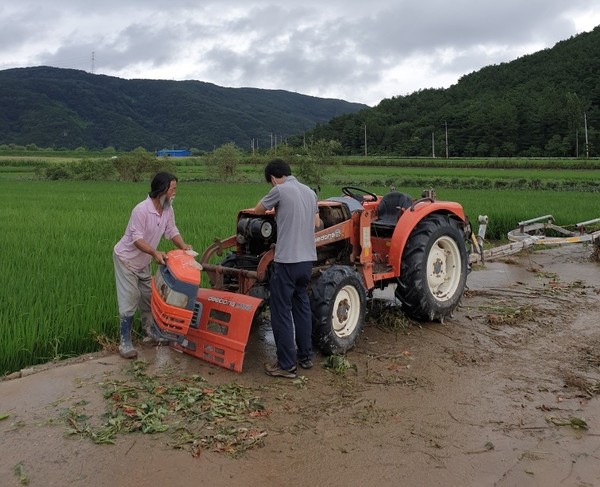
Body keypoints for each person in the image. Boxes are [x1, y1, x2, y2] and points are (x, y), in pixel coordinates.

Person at [113, 172, 192, 359]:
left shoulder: (167, 208)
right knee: (130, 298)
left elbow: (172, 230)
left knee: (149, 297)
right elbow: (137, 239)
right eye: (173, 189)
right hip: (126, 260)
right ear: (162, 190)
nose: (174, 193)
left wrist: (183, 245)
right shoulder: (141, 210)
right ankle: (124, 342)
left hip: (143, 261)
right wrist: (155, 253)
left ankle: (150, 333)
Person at [255, 159, 321, 378]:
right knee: (301, 306)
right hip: (306, 262)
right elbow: (317, 224)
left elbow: (258, 210)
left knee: (280, 311)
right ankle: (305, 357)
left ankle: (286, 365)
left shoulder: (280, 190)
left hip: (287, 261)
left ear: (273, 178)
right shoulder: (310, 193)